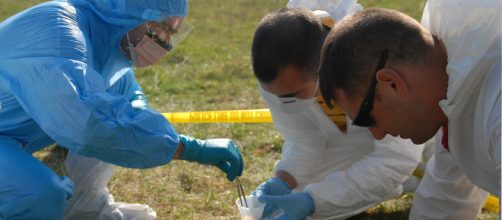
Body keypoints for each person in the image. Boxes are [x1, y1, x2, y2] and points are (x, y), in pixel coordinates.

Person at [0, 0, 244, 219]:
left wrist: (139, 113)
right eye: (159, 28)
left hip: (9, 138)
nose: (164, 42)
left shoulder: (106, 45)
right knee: (39, 195)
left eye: (172, 33)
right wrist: (187, 148)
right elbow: (88, 122)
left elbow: (126, 98)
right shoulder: (56, 29)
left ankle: (84, 207)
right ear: (128, 10)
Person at [318, 1, 500, 219]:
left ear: (391, 82)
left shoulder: (495, 104)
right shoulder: (450, 80)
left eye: (368, 118)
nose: (378, 134)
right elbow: (446, 197)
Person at [250, 1, 431, 219]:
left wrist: (313, 200)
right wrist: (283, 179)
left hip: (424, 132)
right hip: (354, 138)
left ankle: (422, 173)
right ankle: (406, 177)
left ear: (321, 68)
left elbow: (396, 156)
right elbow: (304, 137)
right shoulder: (279, 74)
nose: (284, 104)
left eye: (292, 95)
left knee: (440, 170)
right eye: (277, 95)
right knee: (305, 196)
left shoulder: (367, 60)